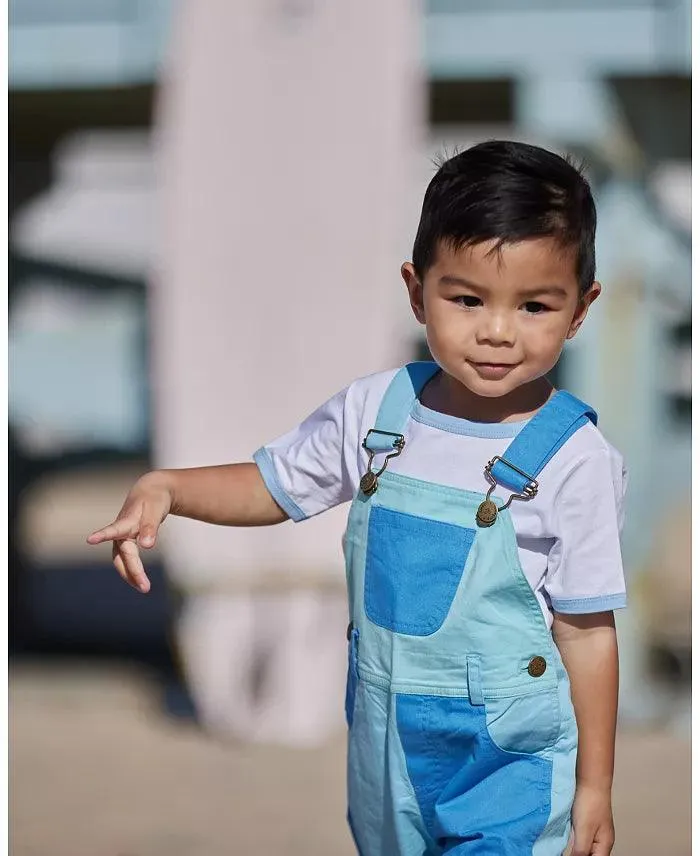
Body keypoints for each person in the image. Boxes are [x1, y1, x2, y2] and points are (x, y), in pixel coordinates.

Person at [87, 140, 626, 856]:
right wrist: (169, 489)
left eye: (534, 306)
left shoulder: (575, 458)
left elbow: (587, 632)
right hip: (386, 753)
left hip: (510, 765)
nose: (497, 330)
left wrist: (594, 787)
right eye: (466, 299)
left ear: (581, 308)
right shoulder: (379, 414)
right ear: (415, 290)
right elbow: (273, 485)